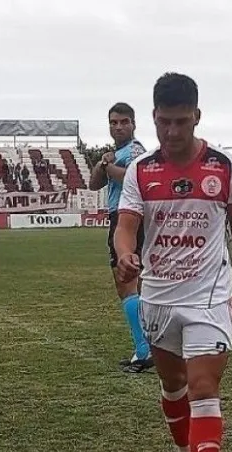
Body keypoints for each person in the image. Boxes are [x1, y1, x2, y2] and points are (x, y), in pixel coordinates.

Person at [114, 72, 232, 452]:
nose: (172, 132)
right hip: (158, 295)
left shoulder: (224, 167)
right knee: (172, 385)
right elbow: (126, 226)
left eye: (181, 121)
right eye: (164, 122)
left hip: (209, 295)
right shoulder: (141, 171)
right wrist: (125, 253)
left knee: (203, 387)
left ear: (197, 116)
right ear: (153, 118)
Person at [89, 101, 153, 374]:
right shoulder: (116, 153)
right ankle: (148, 344)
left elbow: (131, 177)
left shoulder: (135, 150)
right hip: (122, 216)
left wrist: (107, 165)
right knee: (130, 283)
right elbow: (93, 184)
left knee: (126, 281)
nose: (118, 127)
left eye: (124, 122)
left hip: (128, 217)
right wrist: (103, 163)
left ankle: (144, 349)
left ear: (134, 124)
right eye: (113, 122)